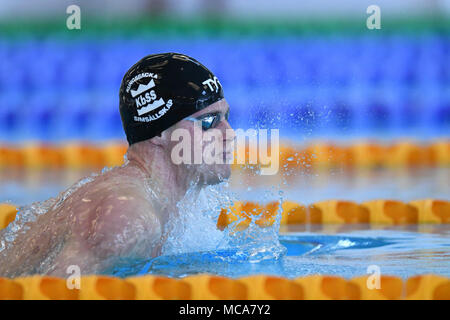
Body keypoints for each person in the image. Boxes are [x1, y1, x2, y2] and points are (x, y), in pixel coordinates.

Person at [0, 53, 235, 277]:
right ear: (159, 132)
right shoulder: (130, 218)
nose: (229, 133)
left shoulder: (159, 205)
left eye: (226, 118)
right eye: (209, 122)